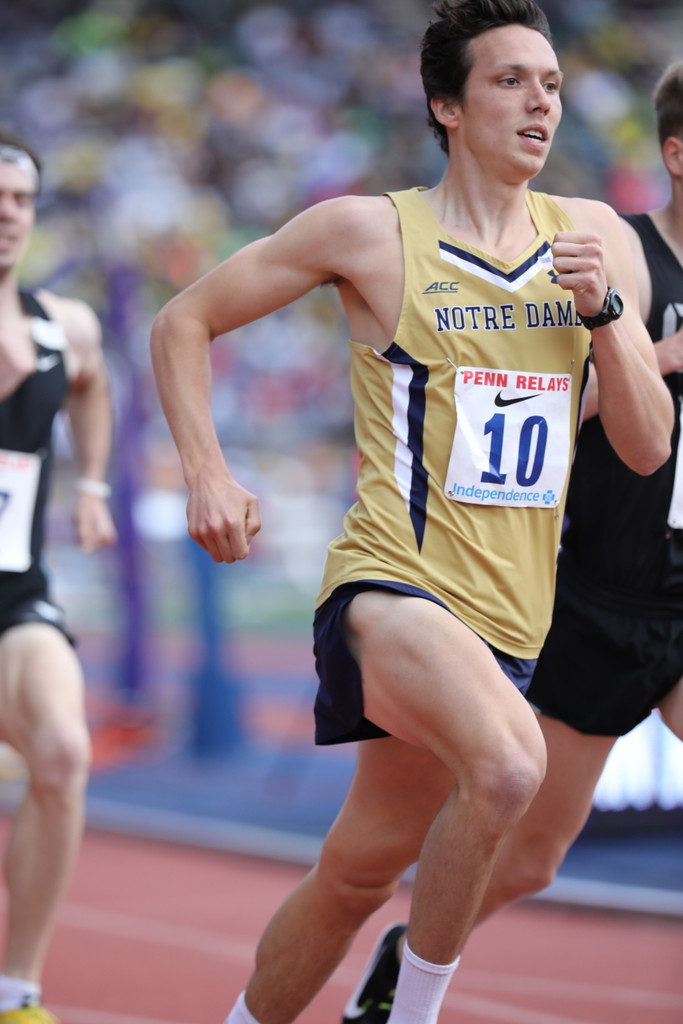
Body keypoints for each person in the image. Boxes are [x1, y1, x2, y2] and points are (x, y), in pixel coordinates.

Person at [150, 2, 673, 1023]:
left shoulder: (596, 237)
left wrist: (606, 317)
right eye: (510, 80)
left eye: (552, 84)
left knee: (353, 876)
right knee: (511, 762)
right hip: (390, 585)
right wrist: (206, 472)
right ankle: (413, 1012)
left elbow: (646, 442)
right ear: (445, 103)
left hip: (509, 623)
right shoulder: (371, 231)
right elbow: (184, 319)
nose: (540, 103)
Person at [341, 58, 683, 1024]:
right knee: (531, 859)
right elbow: (535, 400)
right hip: (597, 591)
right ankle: (412, 953)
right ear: (675, 153)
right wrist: (647, 355)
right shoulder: (614, 247)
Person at [0, 127, 117, 1023]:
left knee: (64, 751)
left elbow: (90, 384)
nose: (8, 217)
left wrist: (93, 483)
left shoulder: (61, 323)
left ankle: (18, 991)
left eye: (22, 200)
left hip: (15, 596)